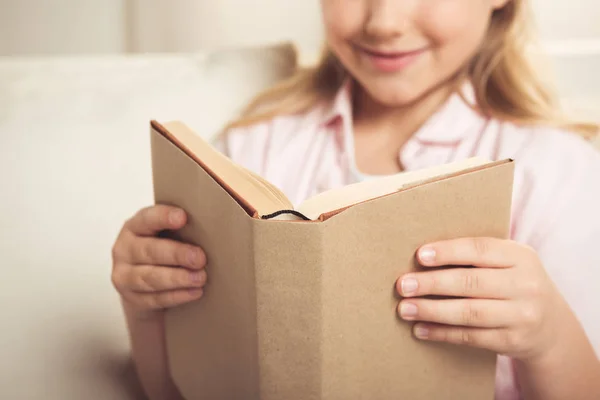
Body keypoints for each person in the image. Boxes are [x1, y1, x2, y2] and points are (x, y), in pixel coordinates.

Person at [111, 0, 600, 399]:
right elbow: (171, 392)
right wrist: (146, 307)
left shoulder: (558, 171)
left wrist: (549, 338)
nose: (383, 22)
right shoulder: (250, 151)